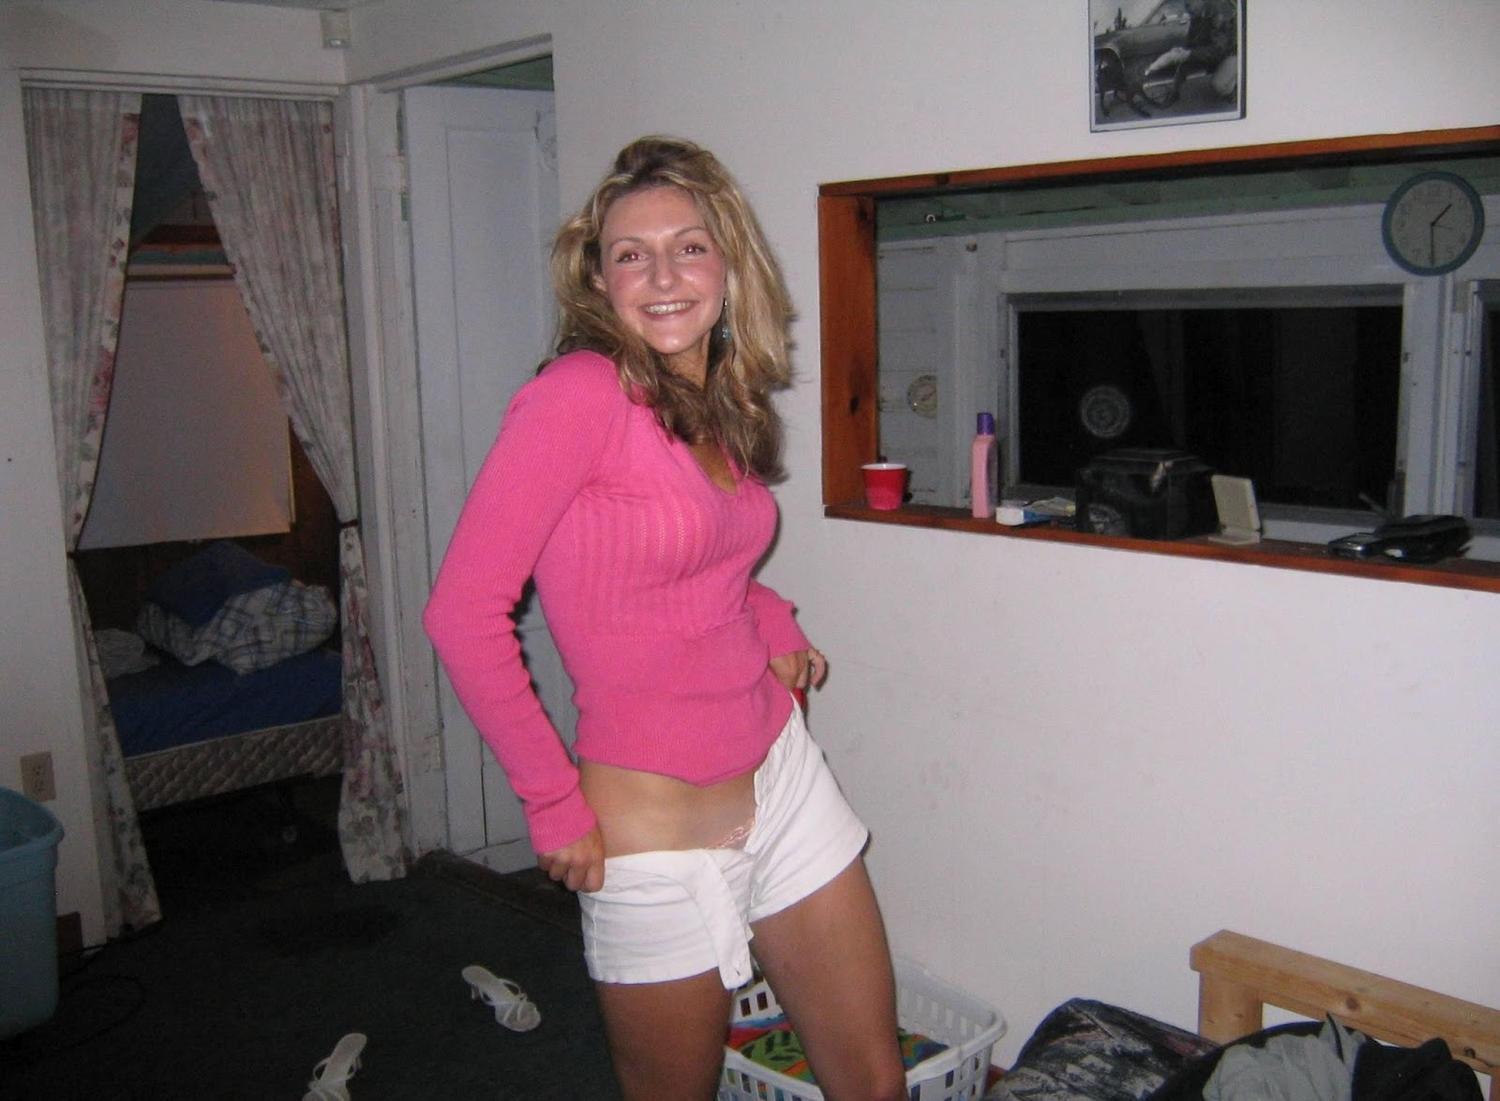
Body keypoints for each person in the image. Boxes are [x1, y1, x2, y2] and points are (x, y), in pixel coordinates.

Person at [422, 136, 906, 1101]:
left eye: (688, 246)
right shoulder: (577, 397)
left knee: (874, 1082)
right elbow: (461, 613)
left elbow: (697, 568)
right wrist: (550, 798)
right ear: (598, 279)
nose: (663, 276)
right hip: (653, 839)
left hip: (781, 784)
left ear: (729, 264)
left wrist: (773, 620)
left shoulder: (714, 396)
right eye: (631, 254)